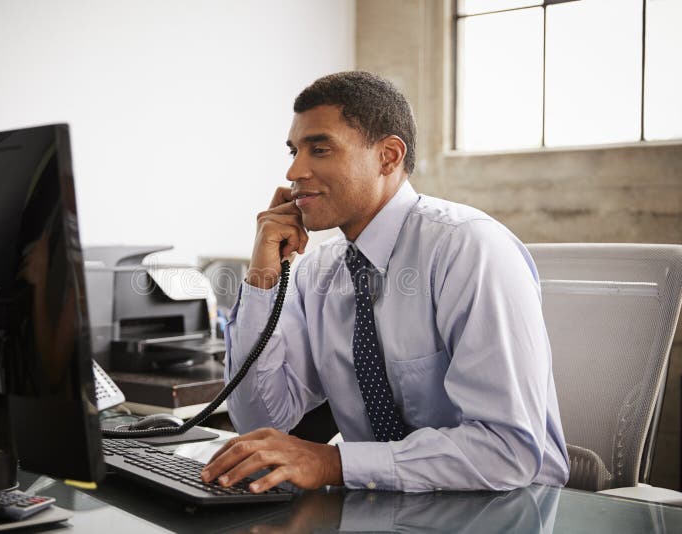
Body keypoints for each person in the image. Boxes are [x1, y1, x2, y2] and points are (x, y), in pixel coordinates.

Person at [201, 71, 569, 493]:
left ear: (388, 157)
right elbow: (261, 423)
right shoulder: (319, 273)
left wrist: (335, 462)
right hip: (391, 508)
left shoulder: (467, 248)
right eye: (294, 151)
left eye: (319, 149)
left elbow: (507, 451)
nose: (294, 170)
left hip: (511, 506)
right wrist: (262, 278)